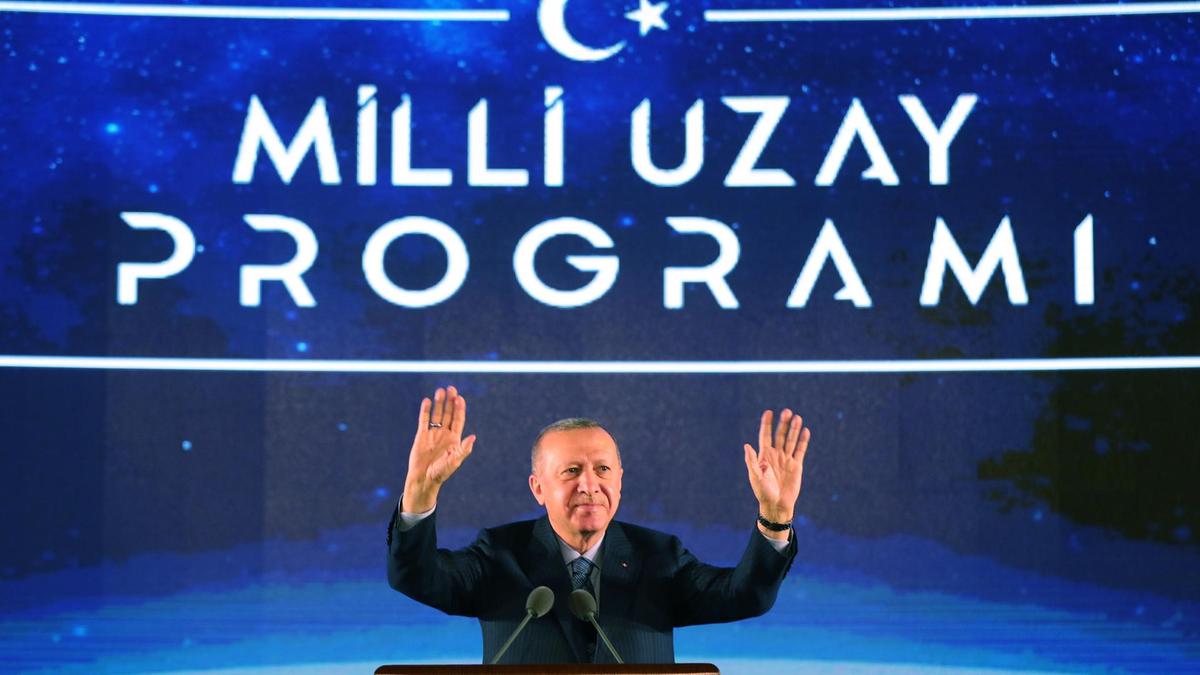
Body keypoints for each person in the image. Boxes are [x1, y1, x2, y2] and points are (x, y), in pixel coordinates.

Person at [387, 385, 811, 664]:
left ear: (620, 481)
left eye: (603, 469)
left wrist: (775, 519)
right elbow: (417, 577)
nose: (589, 485)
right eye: (571, 471)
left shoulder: (660, 557)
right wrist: (420, 493)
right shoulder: (500, 554)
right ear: (538, 488)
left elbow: (745, 596)